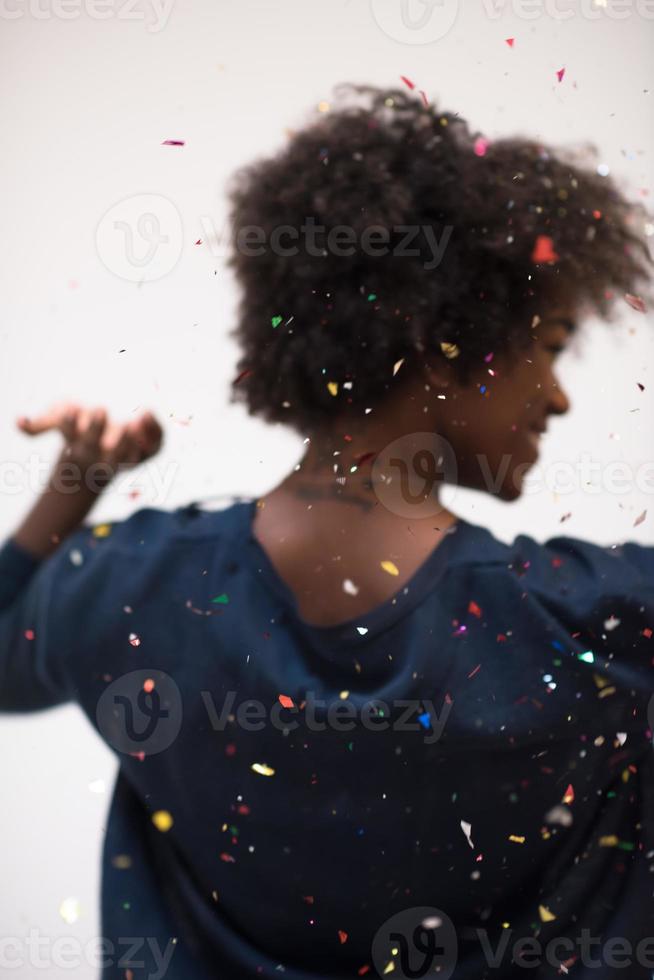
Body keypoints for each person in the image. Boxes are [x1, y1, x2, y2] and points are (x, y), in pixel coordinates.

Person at [1, 82, 653, 980]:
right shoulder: (601, 626)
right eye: (549, 343)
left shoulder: (129, 588)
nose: (560, 393)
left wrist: (72, 491)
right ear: (445, 338)